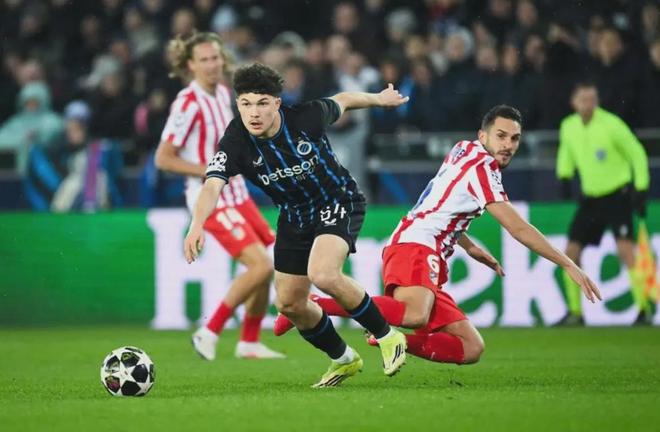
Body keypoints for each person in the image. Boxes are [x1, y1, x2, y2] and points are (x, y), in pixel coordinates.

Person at [273, 105, 602, 366]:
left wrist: (467, 244)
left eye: (514, 139)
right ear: (483, 135)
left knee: (470, 347)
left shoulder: (464, 149)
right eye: (501, 136)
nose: (508, 145)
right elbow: (517, 228)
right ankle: (314, 304)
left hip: (419, 242)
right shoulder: (483, 169)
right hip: (417, 245)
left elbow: (441, 201)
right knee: (414, 313)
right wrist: (567, 263)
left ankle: (391, 340)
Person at [184, 63, 409, 388]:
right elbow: (212, 185)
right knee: (289, 303)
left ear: (277, 102)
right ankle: (344, 358)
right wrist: (197, 224)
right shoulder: (235, 141)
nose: (254, 113)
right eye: (246, 104)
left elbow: (343, 100)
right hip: (294, 217)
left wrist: (379, 99)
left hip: (337, 200)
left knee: (324, 274)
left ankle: (388, 336)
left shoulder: (306, 117)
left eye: (262, 103)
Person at [156, 32, 284, 361]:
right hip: (210, 198)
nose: (212, 65)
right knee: (260, 265)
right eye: (204, 60)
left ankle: (249, 342)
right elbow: (164, 158)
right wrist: (210, 170)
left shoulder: (225, 93)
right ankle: (209, 331)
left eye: (215, 58)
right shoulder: (187, 103)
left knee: (269, 265)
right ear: (191, 65)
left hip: (239, 194)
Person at [556, 82, 651, 325]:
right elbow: (567, 151)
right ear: (574, 102)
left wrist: (641, 188)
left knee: (625, 251)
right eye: (584, 99)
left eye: (592, 99)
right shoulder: (568, 126)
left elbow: (636, 153)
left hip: (617, 195)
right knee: (570, 253)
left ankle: (644, 309)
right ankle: (575, 313)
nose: (588, 104)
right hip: (591, 198)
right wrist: (564, 175)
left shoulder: (611, 124)